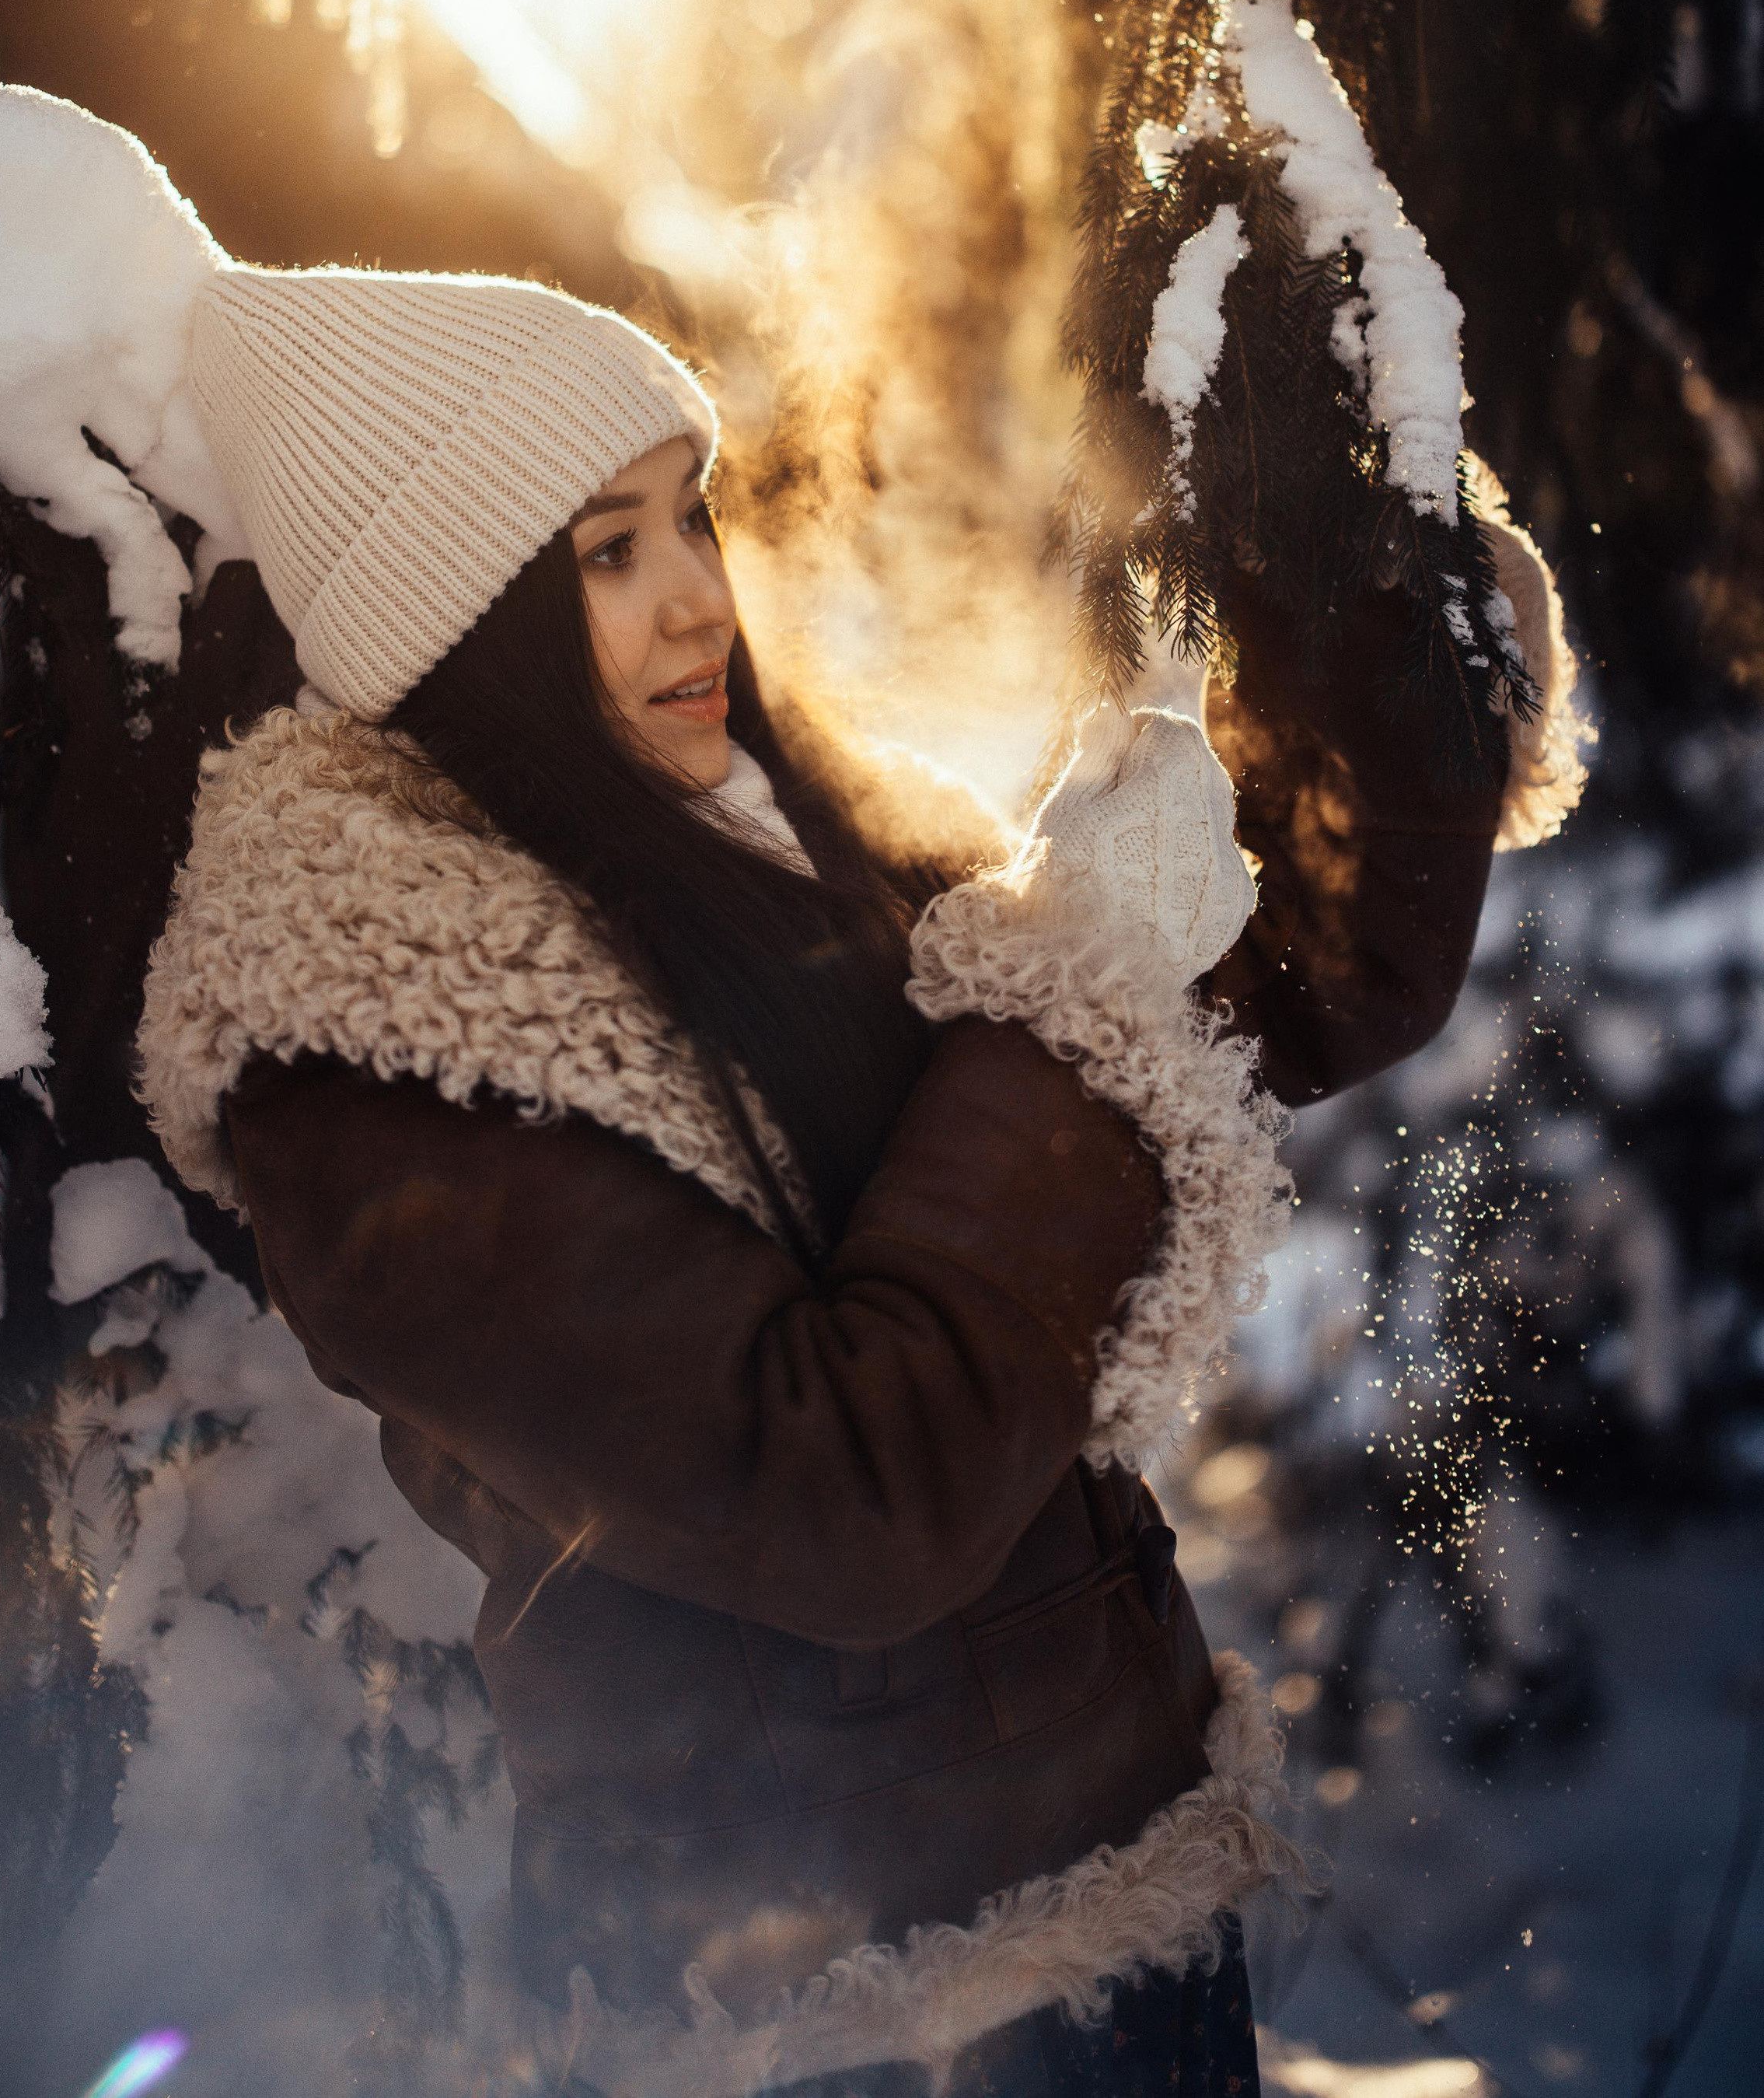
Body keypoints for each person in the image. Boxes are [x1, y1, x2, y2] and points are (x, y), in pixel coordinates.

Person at [138, 266, 1560, 2098]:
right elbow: (842, 1498)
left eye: (690, 513)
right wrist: (1065, 994)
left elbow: (1259, 1011)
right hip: (828, 2020)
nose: (695, 593)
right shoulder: (375, 1064)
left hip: (1115, 1908)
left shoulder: (764, 827)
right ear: (454, 624)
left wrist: (1372, 622)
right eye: (603, 549)